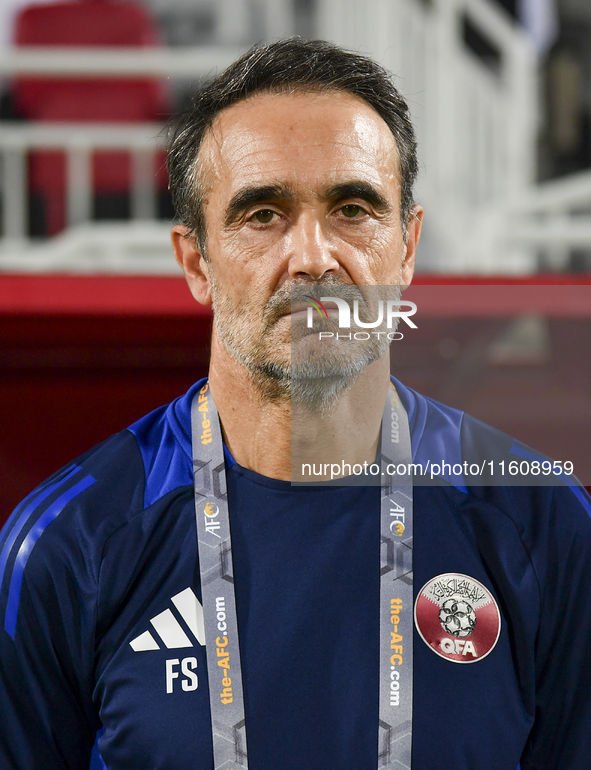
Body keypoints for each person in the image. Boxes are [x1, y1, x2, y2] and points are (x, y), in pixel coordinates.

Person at [1, 38, 590, 770]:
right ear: (195, 262)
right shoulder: (72, 543)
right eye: (262, 214)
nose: (312, 256)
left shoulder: (541, 523)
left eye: (351, 208)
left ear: (406, 246)